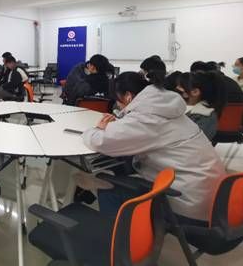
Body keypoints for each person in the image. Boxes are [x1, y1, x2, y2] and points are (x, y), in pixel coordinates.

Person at [82, 71, 225, 224]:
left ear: (128, 96)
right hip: (214, 196)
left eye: (118, 100)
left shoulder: (146, 117)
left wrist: (97, 129)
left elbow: (101, 142)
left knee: (108, 188)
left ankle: (119, 237)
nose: (118, 105)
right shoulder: (166, 108)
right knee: (123, 173)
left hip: (190, 203)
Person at [176, 72, 227, 140]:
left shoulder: (205, 116)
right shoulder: (178, 107)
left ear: (195, 92)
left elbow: (193, 141)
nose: (176, 88)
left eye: (180, 86)